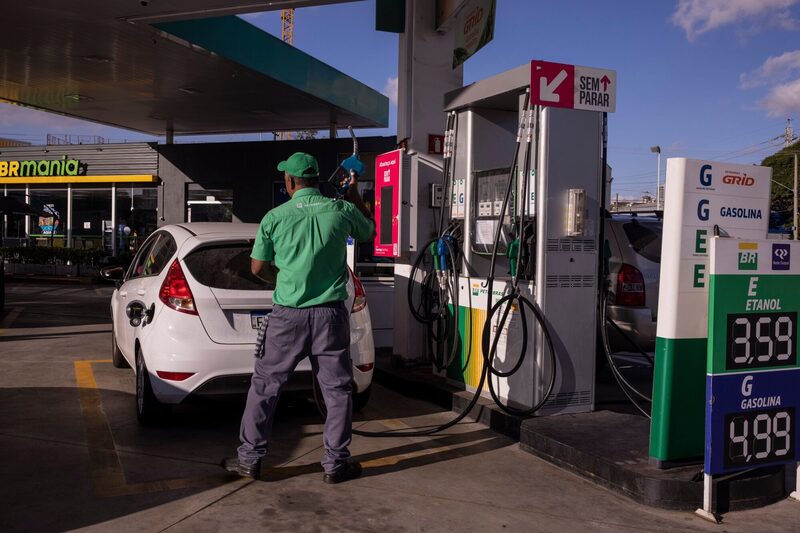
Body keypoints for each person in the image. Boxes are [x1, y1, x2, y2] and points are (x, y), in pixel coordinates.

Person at [222, 152, 374, 484]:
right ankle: (335, 465)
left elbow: (257, 268)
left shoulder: (274, 217)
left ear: (290, 182)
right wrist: (353, 193)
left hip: (287, 317)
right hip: (331, 316)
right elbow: (368, 231)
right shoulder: (341, 210)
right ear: (317, 180)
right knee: (337, 391)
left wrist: (283, 280)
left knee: (265, 387)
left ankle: (249, 459)